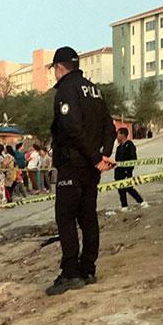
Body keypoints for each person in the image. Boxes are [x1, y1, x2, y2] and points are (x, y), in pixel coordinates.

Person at [46, 46, 116, 296]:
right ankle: (88, 268)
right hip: (90, 167)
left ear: (59, 67)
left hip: (73, 165)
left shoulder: (67, 90)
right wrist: (103, 155)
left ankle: (71, 272)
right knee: (88, 216)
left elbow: (72, 127)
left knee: (65, 217)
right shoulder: (94, 90)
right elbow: (110, 128)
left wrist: (97, 158)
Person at [112, 128, 149, 212]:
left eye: (118, 134)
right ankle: (124, 206)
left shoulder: (130, 145)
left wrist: (128, 170)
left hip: (126, 172)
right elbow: (117, 161)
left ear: (122, 135)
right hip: (118, 172)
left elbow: (133, 159)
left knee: (129, 188)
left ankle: (141, 202)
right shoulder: (119, 148)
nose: (116, 137)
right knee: (121, 189)